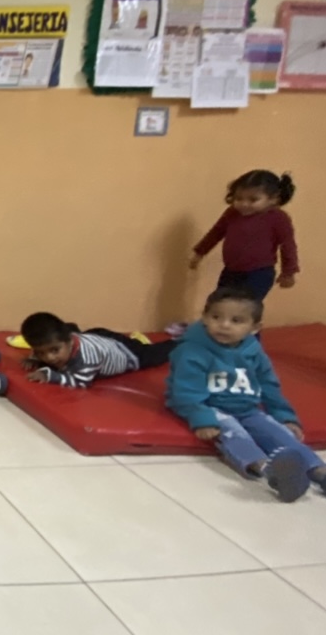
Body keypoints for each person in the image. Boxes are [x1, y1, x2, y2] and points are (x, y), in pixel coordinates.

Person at [166, 288, 325, 502]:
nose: (224, 325)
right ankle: (268, 470)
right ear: (204, 318)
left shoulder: (253, 351)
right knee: (235, 434)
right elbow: (185, 390)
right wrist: (202, 418)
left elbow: (269, 385)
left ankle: (318, 472)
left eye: (236, 320)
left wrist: (284, 416)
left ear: (254, 327)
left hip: (248, 409)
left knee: (279, 434)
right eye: (216, 317)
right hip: (213, 408)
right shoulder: (191, 350)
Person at [189, 170, 298, 301]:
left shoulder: (278, 218)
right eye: (239, 198)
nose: (244, 204)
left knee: (245, 306)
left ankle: (249, 315)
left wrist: (288, 272)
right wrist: (199, 252)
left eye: (253, 200)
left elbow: (288, 245)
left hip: (259, 273)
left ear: (273, 199)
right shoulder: (232, 213)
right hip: (231, 271)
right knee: (219, 303)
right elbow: (216, 233)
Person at [20, 312, 177, 388]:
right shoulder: (60, 343)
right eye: (40, 353)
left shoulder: (86, 359)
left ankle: (178, 342)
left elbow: (80, 382)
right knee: (55, 337)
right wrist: (34, 359)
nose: (49, 358)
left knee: (153, 354)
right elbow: (43, 348)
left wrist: (49, 375)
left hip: (125, 350)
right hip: (95, 335)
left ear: (69, 340)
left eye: (55, 350)